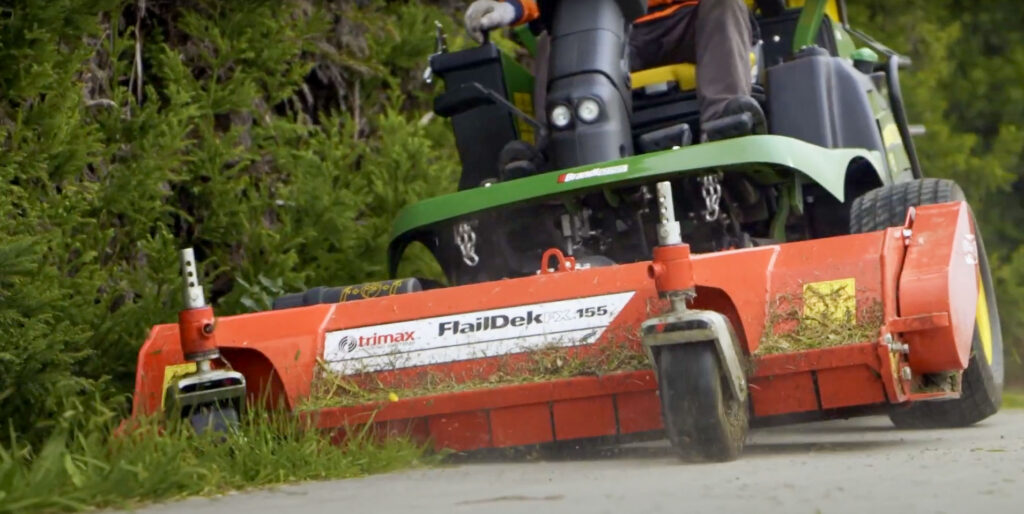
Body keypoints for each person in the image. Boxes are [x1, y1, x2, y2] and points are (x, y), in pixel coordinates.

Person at [464, 0, 762, 137]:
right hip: (615, 30)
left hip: (685, 20)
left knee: (724, 4)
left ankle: (725, 122)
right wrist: (512, 8)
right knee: (553, 39)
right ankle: (551, 142)